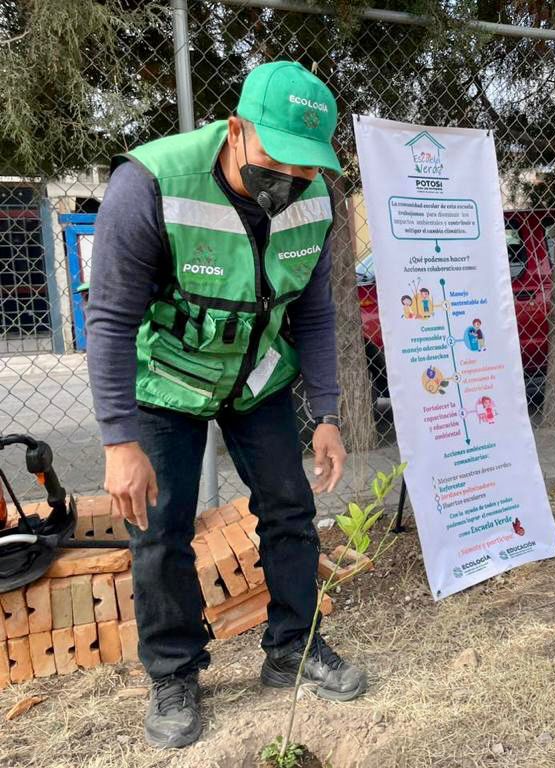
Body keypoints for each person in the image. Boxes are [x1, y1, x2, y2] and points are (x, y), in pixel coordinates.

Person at [87, 62, 365, 750]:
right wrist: (120, 439)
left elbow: (314, 312)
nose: (292, 176)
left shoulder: (315, 201)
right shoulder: (150, 184)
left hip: (256, 380)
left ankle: (293, 651)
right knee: (160, 530)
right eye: (277, 157)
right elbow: (112, 319)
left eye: (308, 165)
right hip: (167, 385)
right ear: (235, 130)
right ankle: (175, 673)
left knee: (291, 508)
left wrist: (326, 412)